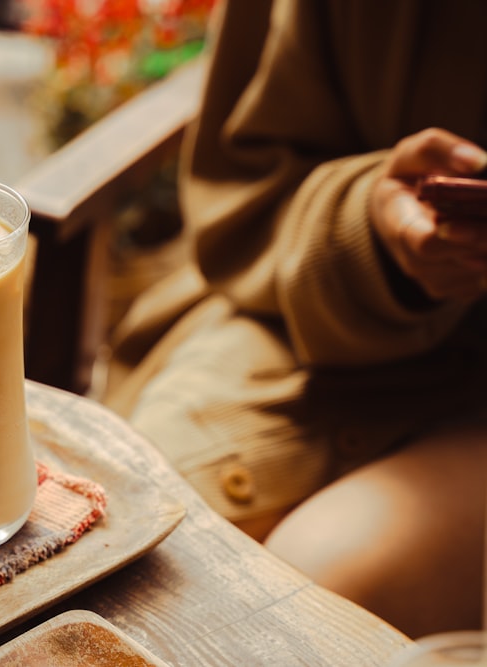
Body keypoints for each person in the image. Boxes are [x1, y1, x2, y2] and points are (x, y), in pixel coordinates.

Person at [101, 0, 487, 639]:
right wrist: (370, 230)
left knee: (306, 597)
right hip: (314, 323)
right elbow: (246, 202)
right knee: (124, 537)